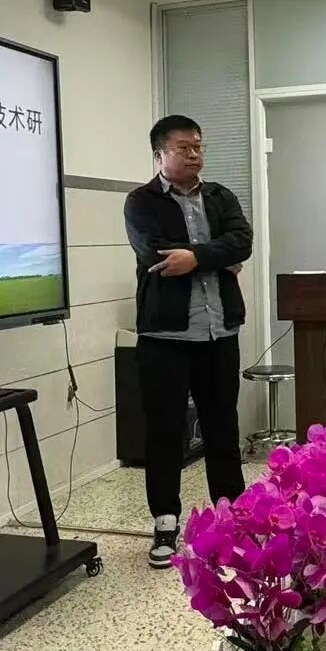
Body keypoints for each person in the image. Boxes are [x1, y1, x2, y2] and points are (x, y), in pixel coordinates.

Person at [124, 116, 250, 569]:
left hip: (219, 333)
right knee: (164, 431)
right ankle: (165, 522)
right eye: (184, 147)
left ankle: (233, 519)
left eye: (198, 146)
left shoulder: (220, 196)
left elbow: (242, 241)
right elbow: (155, 254)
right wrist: (218, 257)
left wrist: (195, 256)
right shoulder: (141, 202)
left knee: (223, 428)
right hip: (166, 337)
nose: (194, 154)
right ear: (160, 154)